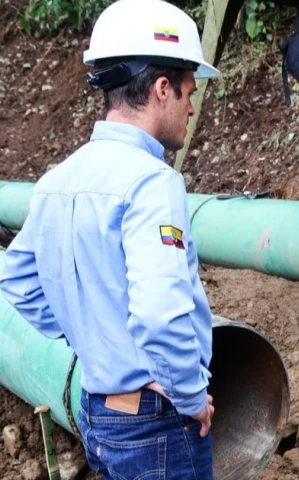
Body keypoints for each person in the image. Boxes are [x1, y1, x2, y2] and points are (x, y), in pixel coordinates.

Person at [0, 0, 220, 478]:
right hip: (157, 426)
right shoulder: (153, 182)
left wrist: (91, 335)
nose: (191, 106)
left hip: (97, 412)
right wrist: (190, 397)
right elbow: (162, 315)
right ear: (162, 89)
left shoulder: (59, 178)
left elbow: (15, 276)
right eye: (188, 92)